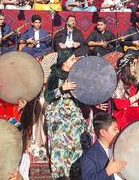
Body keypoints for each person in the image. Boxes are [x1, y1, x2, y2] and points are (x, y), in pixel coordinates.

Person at [44, 49, 89, 179]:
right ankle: (60, 175)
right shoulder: (55, 75)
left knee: (78, 145)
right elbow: (47, 96)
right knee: (60, 147)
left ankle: (76, 174)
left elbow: (84, 95)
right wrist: (62, 89)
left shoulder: (77, 76)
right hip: (59, 114)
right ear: (64, 62)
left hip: (74, 113)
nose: (75, 61)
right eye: (72, 59)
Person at [81, 113, 127, 180]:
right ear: (102, 132)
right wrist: (108, 171)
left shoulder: (120, 148)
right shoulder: (90, 156)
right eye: (115, 129)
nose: (118, 132)